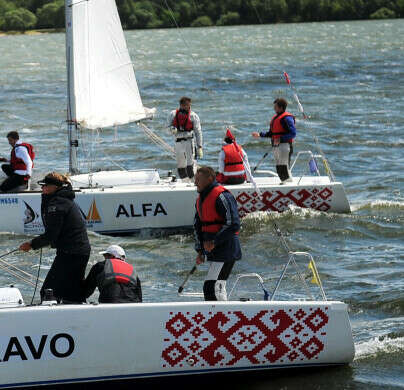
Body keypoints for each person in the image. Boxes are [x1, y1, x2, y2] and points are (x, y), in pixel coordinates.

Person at [19, 172, 91, 303]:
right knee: (72, 293)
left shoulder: (57, 204)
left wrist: (31, 244)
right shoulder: (61, 200)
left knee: (48, 292)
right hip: (77, 251)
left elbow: (51, 236)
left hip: (72, 253)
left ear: (54, 187)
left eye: (45, 185)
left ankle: (51, 321)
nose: (42, 188)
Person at [194, 166, 241, 301]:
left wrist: (215, 241)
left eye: (198, 180)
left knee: (213, 287)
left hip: (226, 249)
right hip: (213, 250)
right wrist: (200, 250)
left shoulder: (222, 196)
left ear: (209, 179)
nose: (195, 183)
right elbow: (197, 225)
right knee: (212, 286)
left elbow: (233, 223)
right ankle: (219, 316)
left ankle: (221, 317)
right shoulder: (200, 200)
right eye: (195, 179)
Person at [252, 98, 296, 183]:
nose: (274, 108)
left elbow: (293, 133)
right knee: (279, 167)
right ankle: (285, 183)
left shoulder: (287, 118)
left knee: (284, 167)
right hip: (276, 146)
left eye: (275, 107)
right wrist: (260, 134)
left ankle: (288, 185)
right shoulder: (276, 118)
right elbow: (272, 133)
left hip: (285, 146)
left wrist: (280, 139)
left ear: (281, 108)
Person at [167, 96, 203, 180]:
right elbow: (167, 129)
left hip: (189, 141)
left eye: (188, 105)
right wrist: (172, 130)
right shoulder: (173, 114)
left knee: (190, 164)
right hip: (178, 142)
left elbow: (198, 131)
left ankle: (194, 182)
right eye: (185, 105)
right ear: (181, 105)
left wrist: (199, 146)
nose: (188, 107)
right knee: (181, 165)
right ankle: (185, 182)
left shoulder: (193, 116)